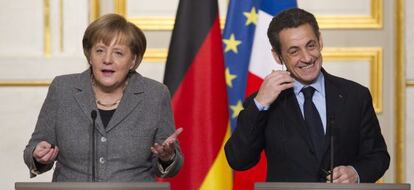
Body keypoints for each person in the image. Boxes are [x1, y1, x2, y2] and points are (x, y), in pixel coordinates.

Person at [224, 8, 389, 183]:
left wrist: (356, 173)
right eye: (294, 51)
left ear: (320, 41)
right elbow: (239, 160)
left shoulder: (355, 95)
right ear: (278, 56)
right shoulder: (263, 102)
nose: (307, 57)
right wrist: (260, 104)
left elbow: (378, 156)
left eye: (311, 46)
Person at [23, 13, 183, 182]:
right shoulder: (63, 89)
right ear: (90, 55)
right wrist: (38, 155)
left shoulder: (155, 95)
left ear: (133, 60)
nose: (107, 59)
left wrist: (168, 157)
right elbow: (33, 148)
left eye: (118, 53)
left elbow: (172, 165)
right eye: (100, 51)